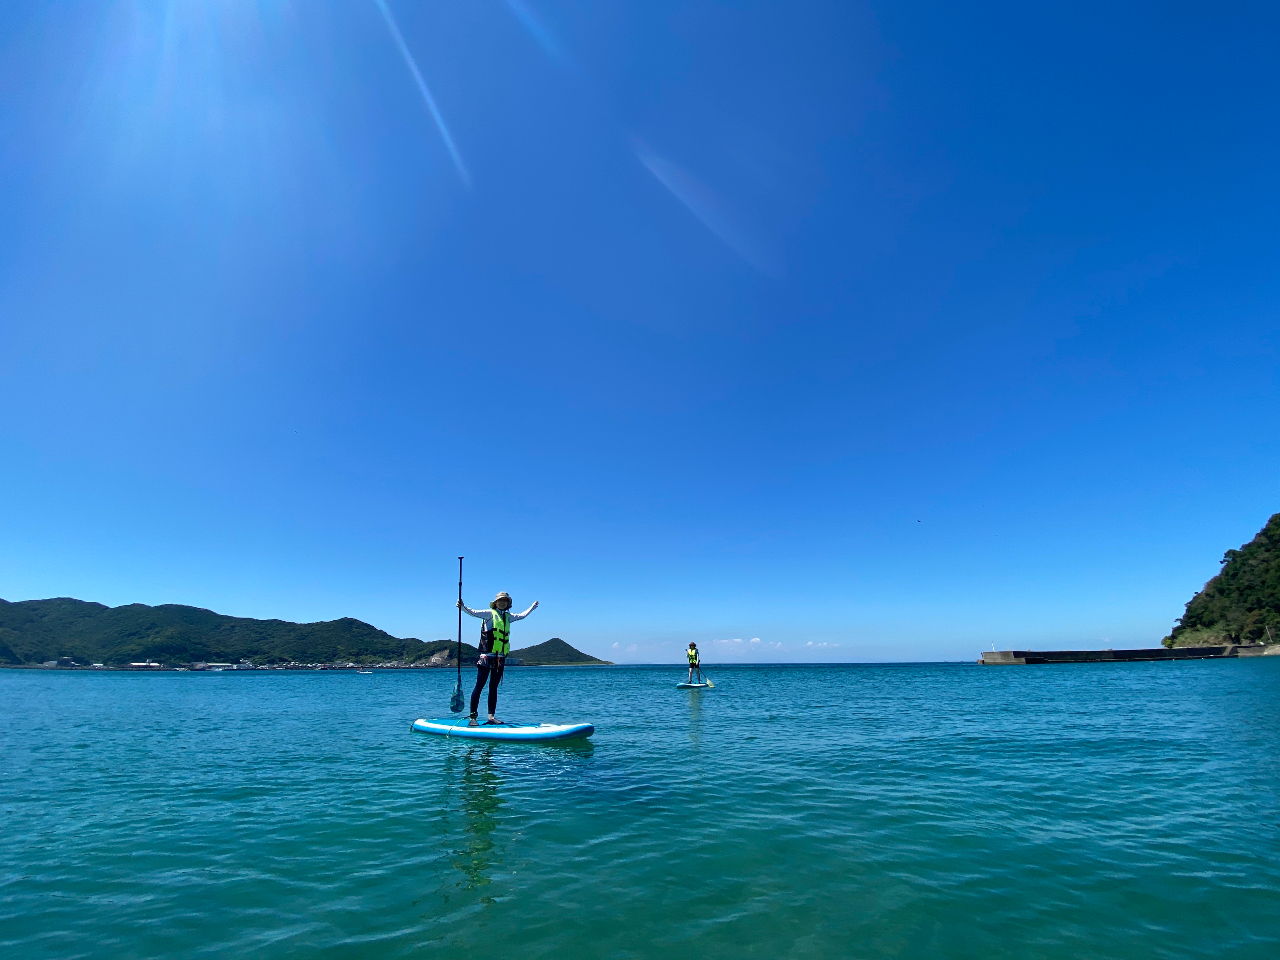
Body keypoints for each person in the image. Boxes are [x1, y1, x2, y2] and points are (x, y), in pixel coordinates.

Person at [458, 591, 539, 725]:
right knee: (479, 686)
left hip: (500, 658)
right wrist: (462, 606)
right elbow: (472, 612)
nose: (502, 602)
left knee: (493, 687)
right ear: (495, 602)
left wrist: (533, 607)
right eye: (500, 600)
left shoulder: (508, 616)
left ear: (508, 603)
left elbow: (522, 616)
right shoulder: (489, 613)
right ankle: (473, 717)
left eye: (505, 600)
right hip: (486, 656)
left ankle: (491, 717)